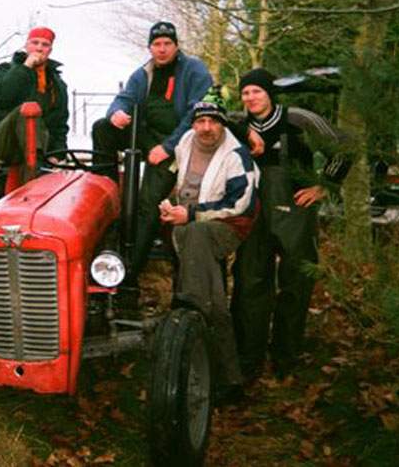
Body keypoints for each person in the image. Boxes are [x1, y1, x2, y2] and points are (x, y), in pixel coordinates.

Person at [230, 68, 351, 381]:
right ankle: (249, 359)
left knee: (296, 283)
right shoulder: (238, 125)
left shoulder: (299, 119)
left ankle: (285, 356)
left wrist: (324, 185)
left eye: (257, 91)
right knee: (250, 283)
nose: (250, 98)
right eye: (245, 93)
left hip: (295, 212)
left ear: (270, 93)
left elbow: (345, 147)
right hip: (253, 213)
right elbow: (206, 116)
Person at [91, 21, 213, 286]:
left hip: (179, 144)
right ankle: (107, 189)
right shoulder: (143, 73)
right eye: (157, 44)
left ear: (176, 46)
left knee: (148, 203)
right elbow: (125, 98)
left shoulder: (194, 71)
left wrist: (167, 148)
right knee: (102, 128)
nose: (162, 49)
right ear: (150, 48)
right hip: (147, 136)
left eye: (167, 43)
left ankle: (129, 273)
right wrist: (116, 113)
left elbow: (197, 114)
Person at [160, 96, 260, 402]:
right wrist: (169, 205)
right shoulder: (185, 143)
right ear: (193, 125)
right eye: (201, 121)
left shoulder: (237, 156)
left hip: (227, 226)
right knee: (202, 267)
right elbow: (179, 182)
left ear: (222, 125)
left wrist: (191, 215)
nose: (206, 128)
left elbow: (239, 205)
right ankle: (220, 371)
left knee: (198, 249)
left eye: (213, 122)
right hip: (189, 223)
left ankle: (191, 311)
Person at [0, 26, 68, 214]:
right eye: (35, 43)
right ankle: (34, 177)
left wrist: (57, 155)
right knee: (27, 111)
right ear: (26, 45)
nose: (39, 48)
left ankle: (40, 175)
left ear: (50, 50)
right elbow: (2, 95)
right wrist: (26, 67)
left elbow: (60, 123)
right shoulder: (6, 70)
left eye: (45, 45)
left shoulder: (57, 84)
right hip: (7, 141)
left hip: (42, 147)